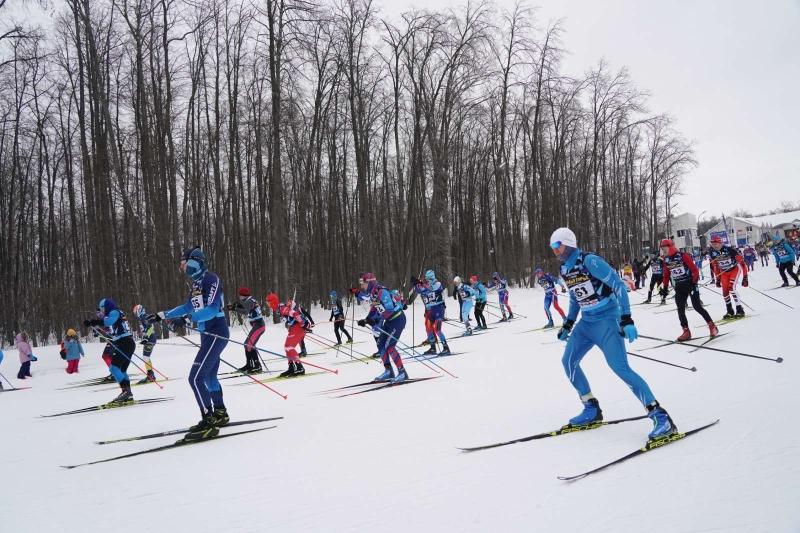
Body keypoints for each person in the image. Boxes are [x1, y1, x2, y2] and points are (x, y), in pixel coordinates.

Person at [550, 227, 677, 440]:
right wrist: (568, 323)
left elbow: (618, 285)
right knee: (568, 361)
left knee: (620, 367)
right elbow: (574, 298)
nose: (554, 250)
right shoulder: (565, 269)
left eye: (557, 245)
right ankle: (591, 408)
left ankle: (660, 416)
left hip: (607, 319)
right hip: (587, 323)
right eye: (552, 246)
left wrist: (626, 319)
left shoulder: (589, 261)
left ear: (568, 243)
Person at [148, 246, 230, 442]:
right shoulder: (196, 284)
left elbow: (212, 309)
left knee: (195, 378)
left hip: (216, 332)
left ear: (194, 261)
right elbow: (187, 306)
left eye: (184, 263)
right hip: (207, 334)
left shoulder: (211, 279)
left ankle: (208, 421)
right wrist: (163, 315)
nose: (182, 267)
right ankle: (220, 413)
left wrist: (186, 320)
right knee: (209, 376)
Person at [660, 239, 718, 341]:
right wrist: (664, 288)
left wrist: (693, 282)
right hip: (679, 286)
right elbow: (666, 275)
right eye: (662, 248)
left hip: (690, 284)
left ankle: (712, 326)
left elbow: (694, 270)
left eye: (664, 248)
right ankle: (686, 331)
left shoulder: (683, 256)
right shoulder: (666, 259)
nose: (663, 250)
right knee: (680, 309)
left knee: (697, 306)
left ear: (670, 246)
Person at [357, 273, 409, 382]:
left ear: (370, 282)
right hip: (389, 321)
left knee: (390, 346)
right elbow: (374, 309)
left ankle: (402, 372)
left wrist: (375, 320)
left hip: (397, 319)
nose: (362, 286)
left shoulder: (382, 292)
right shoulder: (373, 293)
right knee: (380, 344)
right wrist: (366, 319)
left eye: (364, 283)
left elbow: (389, 310)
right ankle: (389, 371)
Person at [83, 299, 136, 403]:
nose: (102, 311)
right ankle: (127, 394)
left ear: (107, 306)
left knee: (114, 368)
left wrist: (94, 321)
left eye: (103, 308)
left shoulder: (114, 311)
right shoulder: (117, 312)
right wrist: (92, 323)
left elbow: (108, 322)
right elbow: (111, 328)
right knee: (122, 370)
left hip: (124, 343)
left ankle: (126, 392)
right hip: (127, 342)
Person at [411, 270, 450, 355]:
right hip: (430, 310)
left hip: (439, 308)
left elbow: (432, 289)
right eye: (427, 278)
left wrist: (421, 283)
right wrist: (415, 284)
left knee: (437, 329)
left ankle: (446, 348)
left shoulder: (438, 284)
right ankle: (433, 348)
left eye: (429, 278)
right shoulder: (426, 285)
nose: (428, 280)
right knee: (428, 328)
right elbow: (419, 291)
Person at [708, 235, 748, 319]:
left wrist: (745, 277)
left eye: (716, 243)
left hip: (734, 270)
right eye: (713, 244)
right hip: (724, 273)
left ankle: (739, 309)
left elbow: (742, 263)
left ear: (720, 243)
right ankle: (730, 311)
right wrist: (718, 279)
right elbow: (715, 266)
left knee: (731, 288)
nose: (714, 245)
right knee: (725, 292)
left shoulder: (729, 250)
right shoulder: (712, 252)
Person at [228, 287, 265, 373]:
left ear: (243, 295)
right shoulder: (250, 300)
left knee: (248, 344)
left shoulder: (249, 301)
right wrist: (235, 305)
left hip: (259, 325)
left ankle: (256, 366)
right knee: (248, 344)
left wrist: (235, 308)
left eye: (240, 295)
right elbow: (244, 306)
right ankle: (250, 364)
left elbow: (245, 311)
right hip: (257, 325)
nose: (239, 297)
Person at [274, 300, 310, 377]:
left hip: (300, 327)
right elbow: (291, 319)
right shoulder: (282, 309)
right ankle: (291, 367)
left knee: (289, 347)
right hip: (296, 328)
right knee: (287, 347)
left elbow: (295, 314)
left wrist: (303, 324)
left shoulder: (282, 308)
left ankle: (299, 367)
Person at [132, 305, 158, 383]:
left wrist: (146, 337)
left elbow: (150, 328)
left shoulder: (144, 317)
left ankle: (151, 375)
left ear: (139, 310)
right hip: (149, 339)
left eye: (135, 312)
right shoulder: (142, 318)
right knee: (146, 357)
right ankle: (150, 374)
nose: (135, 314)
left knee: (146, 357)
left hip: (150, 339)